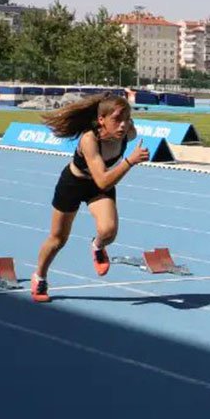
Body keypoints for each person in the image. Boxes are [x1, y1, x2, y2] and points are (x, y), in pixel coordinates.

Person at [31, 91, 150, 303]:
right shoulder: (89, 139)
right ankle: (39, 276)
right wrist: (130, 161)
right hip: (73, 184)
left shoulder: (129, 132)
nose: (123, 125)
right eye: (117, 120)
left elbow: (102, 184)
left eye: (126, 119)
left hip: (99, 186)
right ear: (101, 120)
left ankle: (97, 246)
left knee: (109, 231)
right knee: (58, 239)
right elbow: (103, 180)